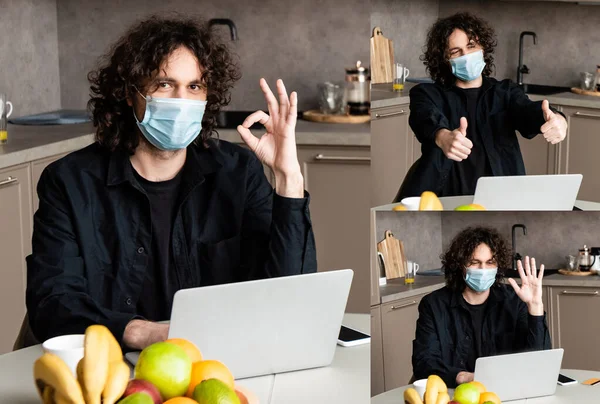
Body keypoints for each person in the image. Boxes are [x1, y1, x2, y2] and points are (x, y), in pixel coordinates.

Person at [24, 15, 317, 351]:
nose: (181, 101)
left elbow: (291, 295)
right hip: (109, 365)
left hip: (217, 361)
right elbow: (52, 303)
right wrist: (142, 333)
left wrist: (288, 178)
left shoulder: (238, 172)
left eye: (194, 87)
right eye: (164, 84)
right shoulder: (69, 182)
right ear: (129, 93)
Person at [395, 12, 568, 200]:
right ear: (445, 59)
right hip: (445, 197)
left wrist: (557, 119)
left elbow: (528, 111)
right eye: (455, 51)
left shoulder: (505, 92)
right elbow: (424, 118)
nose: (466, 56)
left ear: (483, 48)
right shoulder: (427, 94)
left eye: (471, 46)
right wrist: (442, 136)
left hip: (503, 197)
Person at [412, 226, 551, 388]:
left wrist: (535, 308)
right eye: (474, 262)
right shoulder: (433, 305)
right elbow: (423, 363)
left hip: (505, 391)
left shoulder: (515, 301)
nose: (483, 270)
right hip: (453, 393)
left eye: (490, 262)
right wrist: (463, 377)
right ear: (460, 265)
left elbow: (539, 363)